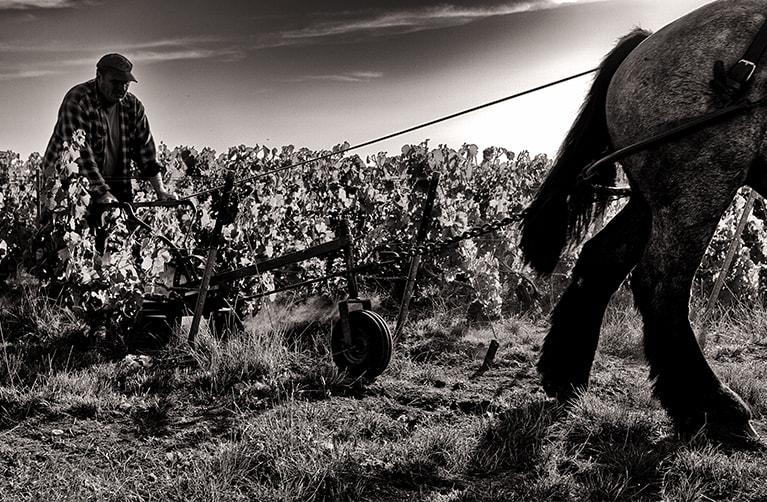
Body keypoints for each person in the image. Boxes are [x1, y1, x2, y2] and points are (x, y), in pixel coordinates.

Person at [41, 53, 175, 252]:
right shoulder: (78, 101)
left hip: (114, 182)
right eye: (115, 82)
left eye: (126, 83)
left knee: (115, 248)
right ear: (99, 76)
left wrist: (160, 190)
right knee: (68, 245)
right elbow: (81, 157)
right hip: (71, 186)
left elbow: (146, 151)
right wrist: (102, 193)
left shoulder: (133, 106)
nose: (121, 88)